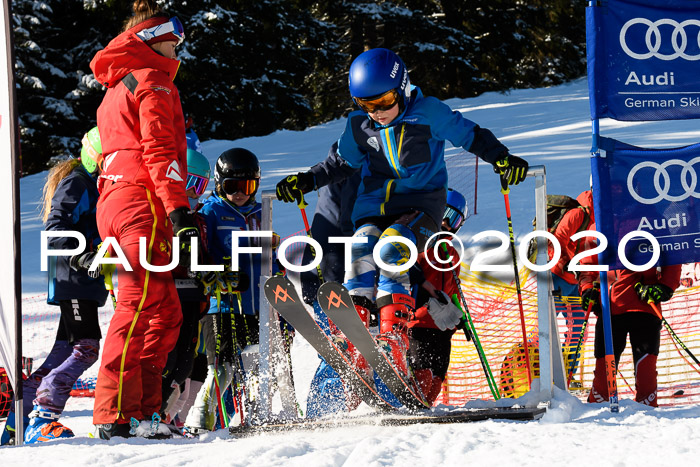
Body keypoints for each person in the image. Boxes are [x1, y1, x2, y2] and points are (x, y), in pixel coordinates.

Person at [276, 48, 528, 380]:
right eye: (367, 104)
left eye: (383, 101)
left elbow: (470, 135)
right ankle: (358, 330)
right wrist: (307, 179)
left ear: (403, 87)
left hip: (421, 207)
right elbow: (339, 164)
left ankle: (393, 338)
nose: (377, 112)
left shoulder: (428, 114)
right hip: (373, 209)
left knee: (393, 247)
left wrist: (502, 157)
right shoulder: (359, 127)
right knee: (362, 248)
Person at [89, 0, 198, 439]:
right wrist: (178, 210)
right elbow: (159, 150)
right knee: (139, 306)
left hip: (114, 200)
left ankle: (143, 410)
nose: (179, 54)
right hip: (144, 201)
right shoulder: (153, 81)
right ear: (154, 41)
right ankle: (115, 411)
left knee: (165, 309)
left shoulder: (116, 86)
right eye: (175, 44)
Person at [1, 128, 107, 444]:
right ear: (94, 156)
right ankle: (44, 416)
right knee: (86, 349)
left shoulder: (98, 186)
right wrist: (83, 256)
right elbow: (56, 227)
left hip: (86, 283)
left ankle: (15, 423)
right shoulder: (78, 182)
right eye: (108, 159)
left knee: (60, 354)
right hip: (72, 279)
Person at [185, 148, 265, 432]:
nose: (240, 193)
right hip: (222, 305)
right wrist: (221, 275)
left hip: (255, 305)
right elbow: (198, 260)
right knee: (222, 369)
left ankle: (226, 424)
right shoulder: (210, 212)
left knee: (252, 369)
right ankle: (200, 424)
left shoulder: (260, 210)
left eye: (248, 186)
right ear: (219, 184)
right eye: (232, 187)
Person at [578, 221, 682, 407]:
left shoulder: (651, 220)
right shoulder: (600, 224)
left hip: (645, 305)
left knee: (646, 370)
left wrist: (665, 286)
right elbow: (587, 266)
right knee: (603, 372)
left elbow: (672, 254)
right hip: (609, 308)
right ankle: (596, 415)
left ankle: (649, 415)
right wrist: (587, 290)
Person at [160, 149, 212, 425]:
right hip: (168, 298)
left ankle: (170, 420)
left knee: (185, 366)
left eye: (199, 186)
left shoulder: (199, 220)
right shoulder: (165, 217)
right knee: (167, 362)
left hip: (194, 299)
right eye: (189, 183)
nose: (193, 193)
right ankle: (155, 416)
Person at [407, 188, 468, 405]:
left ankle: (425, 411)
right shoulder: (418, 245)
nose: (447, 225)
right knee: (422, 375)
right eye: (443, 216)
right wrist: (420, 299)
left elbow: (453, 291)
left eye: (453, 219)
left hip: (443, 328)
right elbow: (406, 278)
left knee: (438, 378)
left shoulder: (452, 253)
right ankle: (414, 407)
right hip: (420, 324)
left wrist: (461, 318)